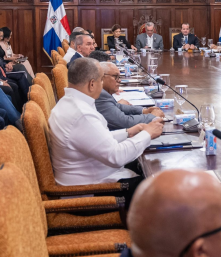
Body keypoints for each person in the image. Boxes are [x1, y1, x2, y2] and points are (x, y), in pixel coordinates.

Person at [48, 58, 163, 204]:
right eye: (101, 80)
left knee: (142, 165)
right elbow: (117, 156)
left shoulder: (70, 102)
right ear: (91, 84)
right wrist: (148, 134)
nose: (102, 85)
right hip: (88, 192)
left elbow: (97, 138)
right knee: (159, 187)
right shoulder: (81, 114)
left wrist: (128, 132)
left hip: (92, 178)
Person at [95, 63, 165, 131]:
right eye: (115, 76)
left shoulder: (103, 93)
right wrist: (152, 116)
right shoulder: (100, 94)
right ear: (101, 77)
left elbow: (117, 106)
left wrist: (144, 111)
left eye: (119, 77)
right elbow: (125, 122)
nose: (119, 80)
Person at [0, 29, 32, 96]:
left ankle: (31, 92)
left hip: (2, 69)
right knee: (14, 83)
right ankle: (28, 97)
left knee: (21, 73)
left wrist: (4, 64)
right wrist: (2, 63)